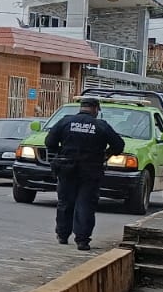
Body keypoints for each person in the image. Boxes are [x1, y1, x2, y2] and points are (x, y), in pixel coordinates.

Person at [44, 96, 125, 251]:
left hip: (67, 168)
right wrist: (106, 154)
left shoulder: (66, 121)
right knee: (85, 204)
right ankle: (82, 240)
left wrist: (61, 153)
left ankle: (62, 235)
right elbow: (119, 145)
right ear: (95, 109)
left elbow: (49, 142)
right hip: (91, 170)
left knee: (65, 202)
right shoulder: (101, 125)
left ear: (81, 107)